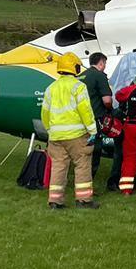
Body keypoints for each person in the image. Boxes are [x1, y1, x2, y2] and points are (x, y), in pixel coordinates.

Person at [41, 52, 99, 209]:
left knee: (58, 167)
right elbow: (85, 111)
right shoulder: (78, 87)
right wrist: (93, 131)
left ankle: (55, 201)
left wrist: (50, 130)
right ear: (75, 67)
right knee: (82, 165)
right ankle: (84, 200)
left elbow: (45, 113)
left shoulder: (50, 88)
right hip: (77, 135)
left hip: (56, 136)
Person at [112, 68, 136, 195]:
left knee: (130, 157)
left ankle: (126, 189)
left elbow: (118, 95)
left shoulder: (131, 90)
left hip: (131, 126)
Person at [81, 52, 115, 187]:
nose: (105, 66)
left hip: (79, 120)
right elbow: (107, 100)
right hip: (94, 119)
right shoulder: (99, 76)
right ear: (101, 63)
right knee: (94, 152)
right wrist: (111, 111)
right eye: (104, 64)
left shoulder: (81, 75)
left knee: (81, 153)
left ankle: (80, 180)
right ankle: (87, 184)